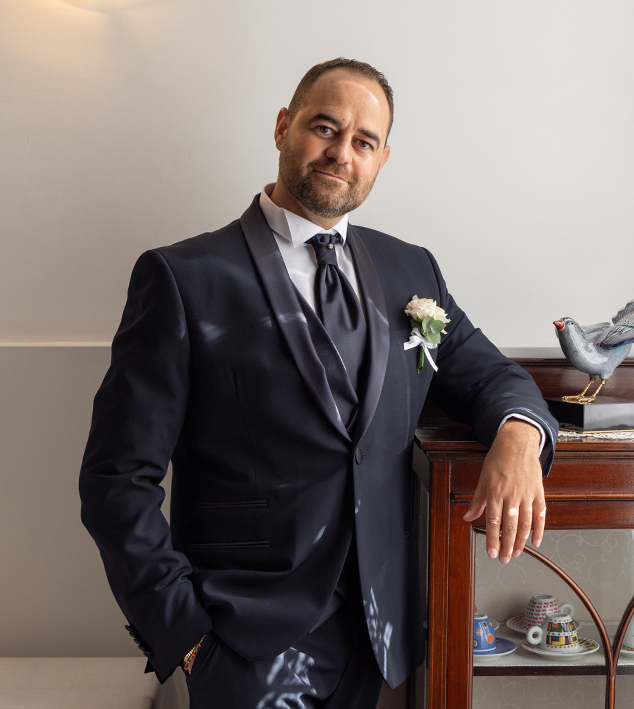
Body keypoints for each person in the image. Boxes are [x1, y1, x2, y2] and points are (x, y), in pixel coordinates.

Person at [78, 57, 557, 709]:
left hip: (377, 638)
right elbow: (116, 478)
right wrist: (186, 636)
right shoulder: (184, 278)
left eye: (364, 141)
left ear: (382, 159)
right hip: (240, 641)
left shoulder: (411, 269)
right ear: (283, 126)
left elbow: (491, 375)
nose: (341, 153)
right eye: (325, 128)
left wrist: (520, 438)